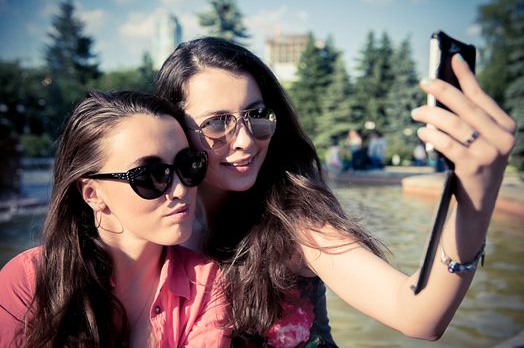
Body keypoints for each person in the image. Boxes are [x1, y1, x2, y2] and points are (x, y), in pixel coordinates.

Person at [155, 37, 516, 347]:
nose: (246, 141)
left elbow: (419, 315)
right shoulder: (152, 224)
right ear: (175, 130)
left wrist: (475, 197)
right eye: (217, 123)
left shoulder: (293, 219)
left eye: (256, 115)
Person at [0, 91, 230, 347]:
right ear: (92, 193)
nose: (180, 190)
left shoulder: (205, 283)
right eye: (151, 175)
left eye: (188, 166)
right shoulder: (28, 282)